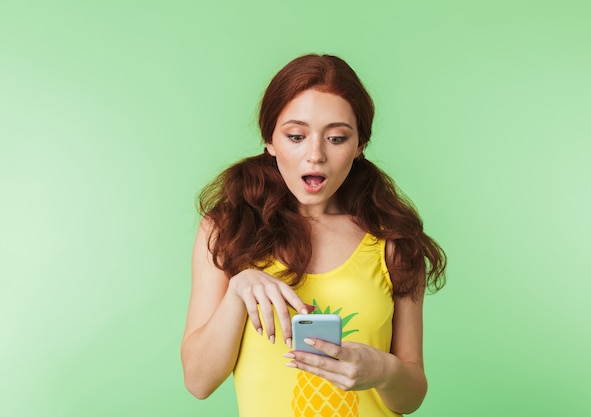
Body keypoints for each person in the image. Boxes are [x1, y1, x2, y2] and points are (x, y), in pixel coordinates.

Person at [181, 53, 446, 417]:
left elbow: (411, 395)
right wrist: (237, 290)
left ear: (359, 146)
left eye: (337, 138)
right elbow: (198, 382)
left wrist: (384, 371)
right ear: (270, 141)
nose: (315, 155)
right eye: (296, 136)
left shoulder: (393, 240)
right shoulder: (227, 229)